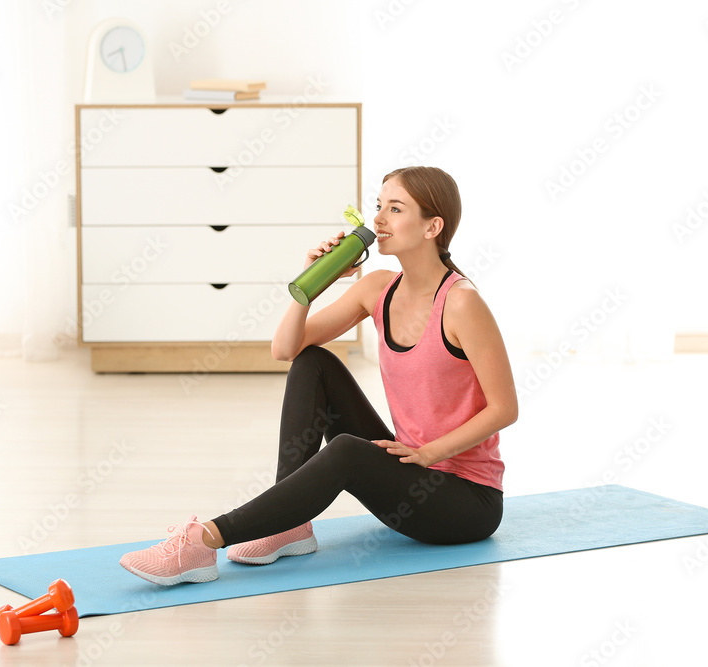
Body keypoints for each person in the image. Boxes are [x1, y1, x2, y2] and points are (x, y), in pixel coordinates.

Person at [120, 166, 518, 586]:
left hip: (466, 503)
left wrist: (428, 454)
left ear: (432, 226)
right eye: (378, 206)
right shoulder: (378, 287)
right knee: (314, 362)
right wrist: (311, 282)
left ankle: (204, 541)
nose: (378, 219)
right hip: (409, 472)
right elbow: (286, 349)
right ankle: (286, 526)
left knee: (347, 451)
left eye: (395, 209)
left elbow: (505, 408)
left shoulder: (461, 303)